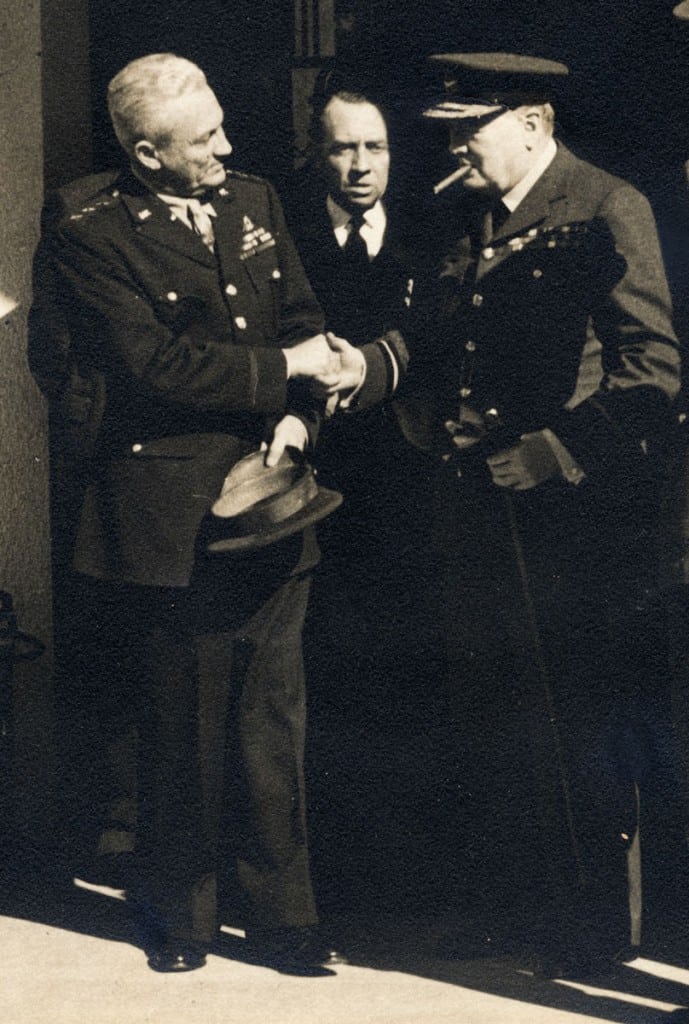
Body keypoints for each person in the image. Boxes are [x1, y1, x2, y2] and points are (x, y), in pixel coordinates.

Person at [28, 52, 363, 975]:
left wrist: (298, 417)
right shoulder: (87, 228)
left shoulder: (250, 199)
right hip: (168, 502)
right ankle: (181, 915)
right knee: (182, 719)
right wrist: (288, 373)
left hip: (275, 481)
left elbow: (300, 312)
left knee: (272, 711)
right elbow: (155, 366)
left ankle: (285, 914)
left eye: (218, 127)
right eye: (202, 138)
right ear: (146, 154)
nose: (224, 147)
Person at [404, 52, 681, 973]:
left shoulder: (606, 206)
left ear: (533, 120)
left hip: (573, 522)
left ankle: (592, 935)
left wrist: (556, 450)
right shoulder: (466, 212)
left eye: (468, 127)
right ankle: (511, 912)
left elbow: (653, 371)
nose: (454, 145)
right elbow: (453, 341)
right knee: (489, 713)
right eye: (447, 129)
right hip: (474, 506)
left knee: (577, 725)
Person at [284, 79, 437, 910]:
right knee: (325, 675)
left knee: (408, 672)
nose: (358, 166)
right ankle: (334, 882)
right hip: (317, 482)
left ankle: (411, 881)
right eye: (342, 147)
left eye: (373, 147)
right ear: (319, 152)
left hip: (410, 492)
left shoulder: (431, 233)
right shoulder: (290, 237)